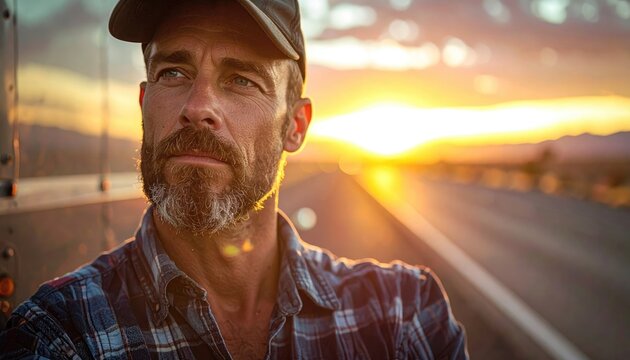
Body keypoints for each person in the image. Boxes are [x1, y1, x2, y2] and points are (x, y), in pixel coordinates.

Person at [0, 0, 467, 358]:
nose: (198, 107)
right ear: (144, 103)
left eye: (241, 80)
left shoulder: (402, 317)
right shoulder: (58, 335)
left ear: (295, 126)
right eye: (174, 71)